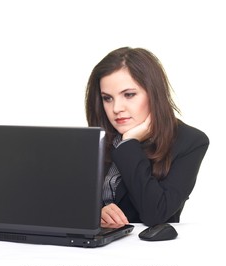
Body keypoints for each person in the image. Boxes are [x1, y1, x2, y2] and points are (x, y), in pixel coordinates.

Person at [85, 47, 209, 227]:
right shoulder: (98, 138)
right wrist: (95, 213)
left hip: (147, 250)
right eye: (107, 98)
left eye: (129, 95)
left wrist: (129, 144)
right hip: (90, 248)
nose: (116, 108)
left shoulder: (189, 141)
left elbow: (157, 214)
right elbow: (65, 200)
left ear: (153, 94)